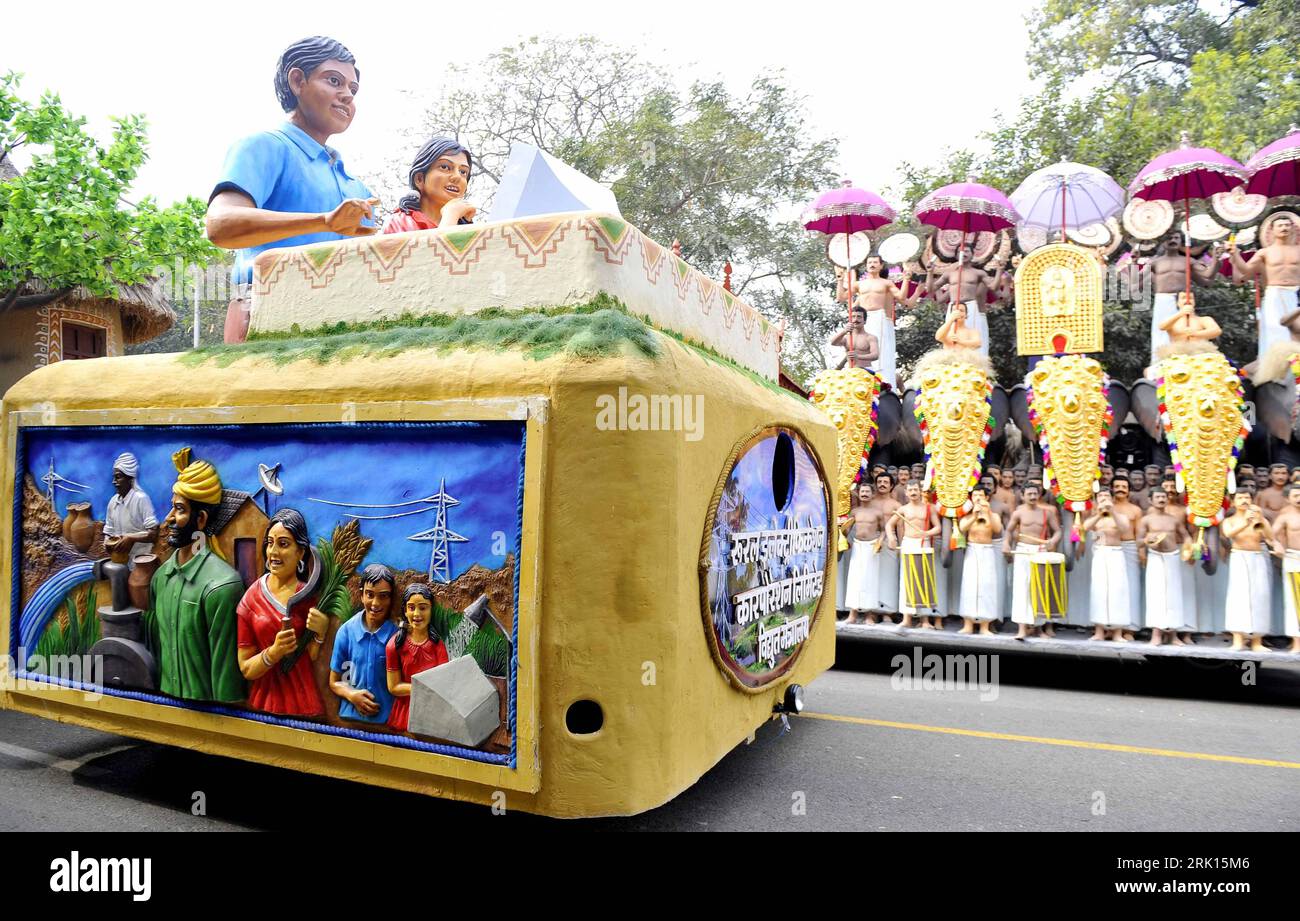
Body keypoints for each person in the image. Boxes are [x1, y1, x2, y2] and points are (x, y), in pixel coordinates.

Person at [206, 37, 378, 343]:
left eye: (353, 89)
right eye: (334, 81)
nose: (347, 96)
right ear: (297, 81)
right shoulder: (265, 146)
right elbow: (220, 225)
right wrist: (323, 221)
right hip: (267, 314)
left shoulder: (356, 187)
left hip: (349, 324)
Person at [149, 448, 246, 703]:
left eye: (179, 510)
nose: (169, 518)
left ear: (200, 519)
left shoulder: (222, 587)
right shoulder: (161, 578)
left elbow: (226, 686)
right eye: (172, 508)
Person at [235, 508, 328, 717]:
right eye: (270, 543)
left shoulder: (306, 596)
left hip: (302, 701)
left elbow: (311, 656)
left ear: (301, 551)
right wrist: (274, 652)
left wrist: (320, 634)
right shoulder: (251, 599)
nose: (274, 552)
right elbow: (246, 669)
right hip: (266, 701)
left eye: (283, 544)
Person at [329, 563, 399, 724]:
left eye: (383, 596)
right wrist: (351, 695)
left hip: (386, 719)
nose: (375, 603)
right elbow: (334, 681)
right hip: (350, 717)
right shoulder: (346, 632)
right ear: (362, 595)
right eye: (370, 595)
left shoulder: (395, 637)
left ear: (391, 598)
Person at [1227, 215, 1300, 359]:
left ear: (1293, 228)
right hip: (1275, 294)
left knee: (1297, 331)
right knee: (1276, 330)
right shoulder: (1265, 252)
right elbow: (1246, 270)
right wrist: (1235, 254)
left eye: (1287, 225)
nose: (1284, 228)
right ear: (1272, 230)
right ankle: (1275, 369)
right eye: (1280, 225)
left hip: (1297, 293)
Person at [1143, 234, 1219, 364]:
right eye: (1169, 237)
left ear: (1181, 241)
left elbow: (1207, 275)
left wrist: (1217, 259)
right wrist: (1133, 262)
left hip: (1184, 300)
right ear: (1162, 241)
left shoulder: (1187, 260)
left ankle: (1187, 362)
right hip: (1163, 300)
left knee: (1186, 331)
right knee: (1161, 332)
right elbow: (1135, 281)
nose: (1172, 240)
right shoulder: (1155, 262)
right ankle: (1159, 365)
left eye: (1176, 238)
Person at [385, 583, 450, 732]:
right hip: (405, 712)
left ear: (431, 610)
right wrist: (421, 688)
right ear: (405, 611)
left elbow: (445, 683)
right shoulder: (394, 646)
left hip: (432, 712)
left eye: (423, 607)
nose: (417, 614)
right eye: (411, 608)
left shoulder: (437, 646)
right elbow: (393, 686)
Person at [382, 136, 477, 233]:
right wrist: (450, 217)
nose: (457, 177)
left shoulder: (468, 230)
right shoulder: (400, 222)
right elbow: (436, 248)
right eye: (445, 167)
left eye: (463, 172)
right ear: (419, 179)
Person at [853, 255, 921, 389]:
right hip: (865, 320)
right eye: (869, 262)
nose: (872, 265)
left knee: (883, 356)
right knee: (861, 349)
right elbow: (849, 303)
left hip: (881, 319)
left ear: (881, 266)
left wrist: (907, 280)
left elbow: (904, 299)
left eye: (875, 262)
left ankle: (885, 385)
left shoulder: (887, 285)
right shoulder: (861, 286)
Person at [1004, 482, 1061, 640]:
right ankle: (1022, 628)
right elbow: (1008, 531)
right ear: (1022, 496)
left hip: (1040, 551)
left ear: (1040, 495)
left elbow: (1057, 531)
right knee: (1022, 589)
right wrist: (1006, 544)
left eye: (1035, 494)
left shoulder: (1047, 513)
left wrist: (1053, 541)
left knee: (1040, 589)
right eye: (1029, 494)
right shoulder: (1018, 513)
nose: (1033, 496)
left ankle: (1039, 628)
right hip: (1023, 550)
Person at [1222, 491, 1275, 652]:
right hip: (1239, 557)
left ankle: (1257, 641)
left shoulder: (1260, 519)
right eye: (1240, 498)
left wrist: (1260, 520)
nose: (1244, 500)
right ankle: (1238, 639)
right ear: (1233, 502)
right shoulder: (1229, 520)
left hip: (1258, 557)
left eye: (1247, 497)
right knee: (1239, 597)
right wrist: (1246, 522)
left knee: (1260, 596)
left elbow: (1270, 538)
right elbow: (1228, 534)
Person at [1138, 488, 1192, 646]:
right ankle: (1156, 634)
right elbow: (1138, 541)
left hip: (1173, 556)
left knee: (1174, 595)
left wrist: (1189, 548)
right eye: (1158, 497)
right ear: (1150, 500)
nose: (1161, 499)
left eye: (1163, 496)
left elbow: (1186, 536)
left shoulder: (1173, 519)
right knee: (1156, 595)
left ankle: (1173, 635)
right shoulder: (1146, 520)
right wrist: (1148, 539)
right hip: (1155, 557)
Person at [927, 243, 1003, 357]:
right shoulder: (950, 273)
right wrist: (929, 272)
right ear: (957, 255)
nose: (963, 253)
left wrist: (1000, 270)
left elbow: (993, 287)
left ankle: (975, 363)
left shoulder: (978, 273)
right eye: (960, 251)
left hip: (970, 307)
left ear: (973, 255)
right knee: (952, 334)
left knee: (971, 334)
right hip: (953, 307)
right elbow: (931, 289)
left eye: (967, 251)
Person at [889, 481, 941, 628]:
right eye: (910, 490)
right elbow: (889, 525)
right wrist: (892, 538)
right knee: (907, 581)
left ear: (920, 491)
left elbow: (937, 527)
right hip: (908, 543)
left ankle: (924, 620)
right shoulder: (903, 509)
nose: (913, 492)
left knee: (923, 579)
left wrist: (927, 533)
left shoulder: (929, 508)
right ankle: (907, 618)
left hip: (924, 543)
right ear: (906, 493)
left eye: (915, 489)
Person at [1083, 491, 1134, 642]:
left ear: (1112, 499)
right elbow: (1085, 528)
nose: (1104, 499)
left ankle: (1117, 632)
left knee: (1118, 591)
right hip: (1100, 553)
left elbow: (1124, 528)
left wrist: (1112, 511)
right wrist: (1099, 514)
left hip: (1116, 553)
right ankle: (1099, 630)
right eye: (1100, 497)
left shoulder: (1121, 516)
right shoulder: (1095, 518)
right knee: (1099, 590)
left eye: (1106, 497)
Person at [842, 482, 889, 625]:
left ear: (872, 494)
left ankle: (870, 615)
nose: (864, 494)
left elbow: (884, 530)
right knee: (854, 580)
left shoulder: (878, 512)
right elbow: (846, 530)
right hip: (857, 547)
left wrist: (880, 542)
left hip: (871, 547)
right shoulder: (854, 512)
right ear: (859, 493)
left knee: (870, 579)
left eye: (867, 491)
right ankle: (852, 614)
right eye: (862, 491)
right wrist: (842, 536)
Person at [958, 488, 1002, 635]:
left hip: (987, 550)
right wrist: (974, 515)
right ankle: (968, 624)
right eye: (975, 495)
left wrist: (987, 512)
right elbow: (962, 528)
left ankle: (985, 626)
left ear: (986, 498)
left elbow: (997, 529)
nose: (977, 498)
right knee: (969, 586)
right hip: (971, 550)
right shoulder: (967, 516)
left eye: (980, 495)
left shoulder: (993, 515)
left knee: (987, 586)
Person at [102, 452, 158, 566]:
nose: (114, 482)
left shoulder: (141, 499)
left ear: (130, 479)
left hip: (141, 561)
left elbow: (153, 534)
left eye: (118, 477)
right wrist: (107, 543)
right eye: (114, 477)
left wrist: (130, 538)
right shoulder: (113, 502)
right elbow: (108, 531)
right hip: (118, 559)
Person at [1269, 483, 1300, 654]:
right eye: (1296, 495)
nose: (1299, 499)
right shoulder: (1285, 515)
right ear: (1288, 498)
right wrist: (1277, 544)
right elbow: (1270, 534)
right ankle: (1297, 643)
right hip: (1294, 559)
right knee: (1295, 601)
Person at [830, 306, 881, 371]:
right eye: (853, 317)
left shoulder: (870, 337)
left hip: (866, 370)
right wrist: (844, 331)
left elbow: (875, 355)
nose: (856, 319)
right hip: (851, 371)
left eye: (859, 317)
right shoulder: (847, 337)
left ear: (865, 321)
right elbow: (833, 342)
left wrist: (858, 356)